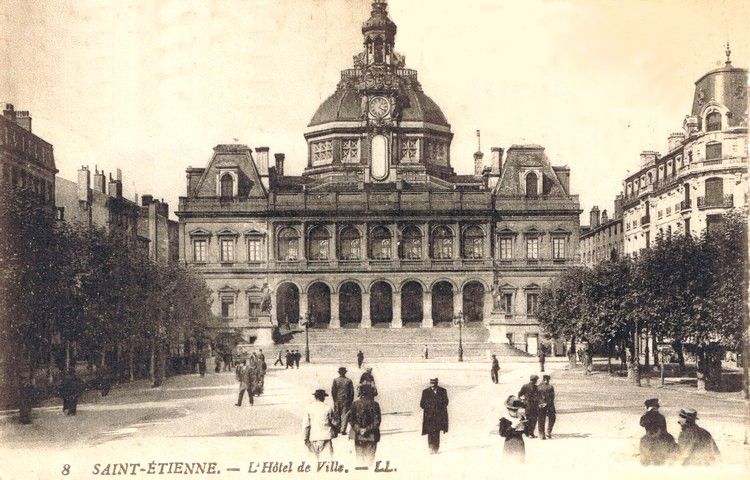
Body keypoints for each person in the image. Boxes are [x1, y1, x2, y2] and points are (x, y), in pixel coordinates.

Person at [347, 384, 381, 467]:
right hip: (372, 436)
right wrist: (367, 429)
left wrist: (359, 429)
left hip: (358, 436)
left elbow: (351, 420)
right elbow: (377, 421)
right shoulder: (375, 404)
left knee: (359, 460)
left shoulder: (355, 404)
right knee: (369, 461)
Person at [303, 389, 337, 459]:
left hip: (314, 437)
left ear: (315, 397)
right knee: (327, 461)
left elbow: (306, 425)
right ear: (323, 397)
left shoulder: (309, 407)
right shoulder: (328, 407)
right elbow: (334, 422)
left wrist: (306, 439)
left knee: (314, 461)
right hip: (326, 437)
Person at [420, 378, 449, 454]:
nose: (433, 384)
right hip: (429, 417)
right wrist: (429, 407)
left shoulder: (443, 391)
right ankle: (431, 448)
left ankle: (436, 449)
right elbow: (422, 404)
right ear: (430, 383)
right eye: (432, 383)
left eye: (434, 383)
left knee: (437, 433)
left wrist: (439, 407)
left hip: (439, 416)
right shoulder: (425, 392)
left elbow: (446, 402)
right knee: (430, 433)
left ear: (437, 383)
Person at [498, 395, 527, 463]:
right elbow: (502, 434)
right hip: (509, 443)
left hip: (519, 443)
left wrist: (525, 424)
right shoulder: (504, 420)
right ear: (508, 409)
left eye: (516, 410)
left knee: (520, 461)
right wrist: (512, 427)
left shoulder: (521, 417)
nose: (514, 412)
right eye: (512, 410)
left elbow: (527, 432)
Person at [331, 367, 355, 435]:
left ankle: (337, 429)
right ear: (345, 372)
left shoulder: (335, 380)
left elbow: (333, 391)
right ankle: (343, 430)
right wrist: (350, 400)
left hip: (337, 399)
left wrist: (334, 400)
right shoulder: (349, 381)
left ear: (339, 372)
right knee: (345, 415)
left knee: (337, 414)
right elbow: (352, 392)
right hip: (346, 400)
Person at [536, 374, 556, 439]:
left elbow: (536, 397)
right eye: (547, 380)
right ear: (546, 380)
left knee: (541, 419)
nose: (547, 381)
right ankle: (548, 431)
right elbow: (552, 397)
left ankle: (542, 434)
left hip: (540, 405)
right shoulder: (550, 387)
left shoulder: (538, 387)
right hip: (549, 405)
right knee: (552, 418)